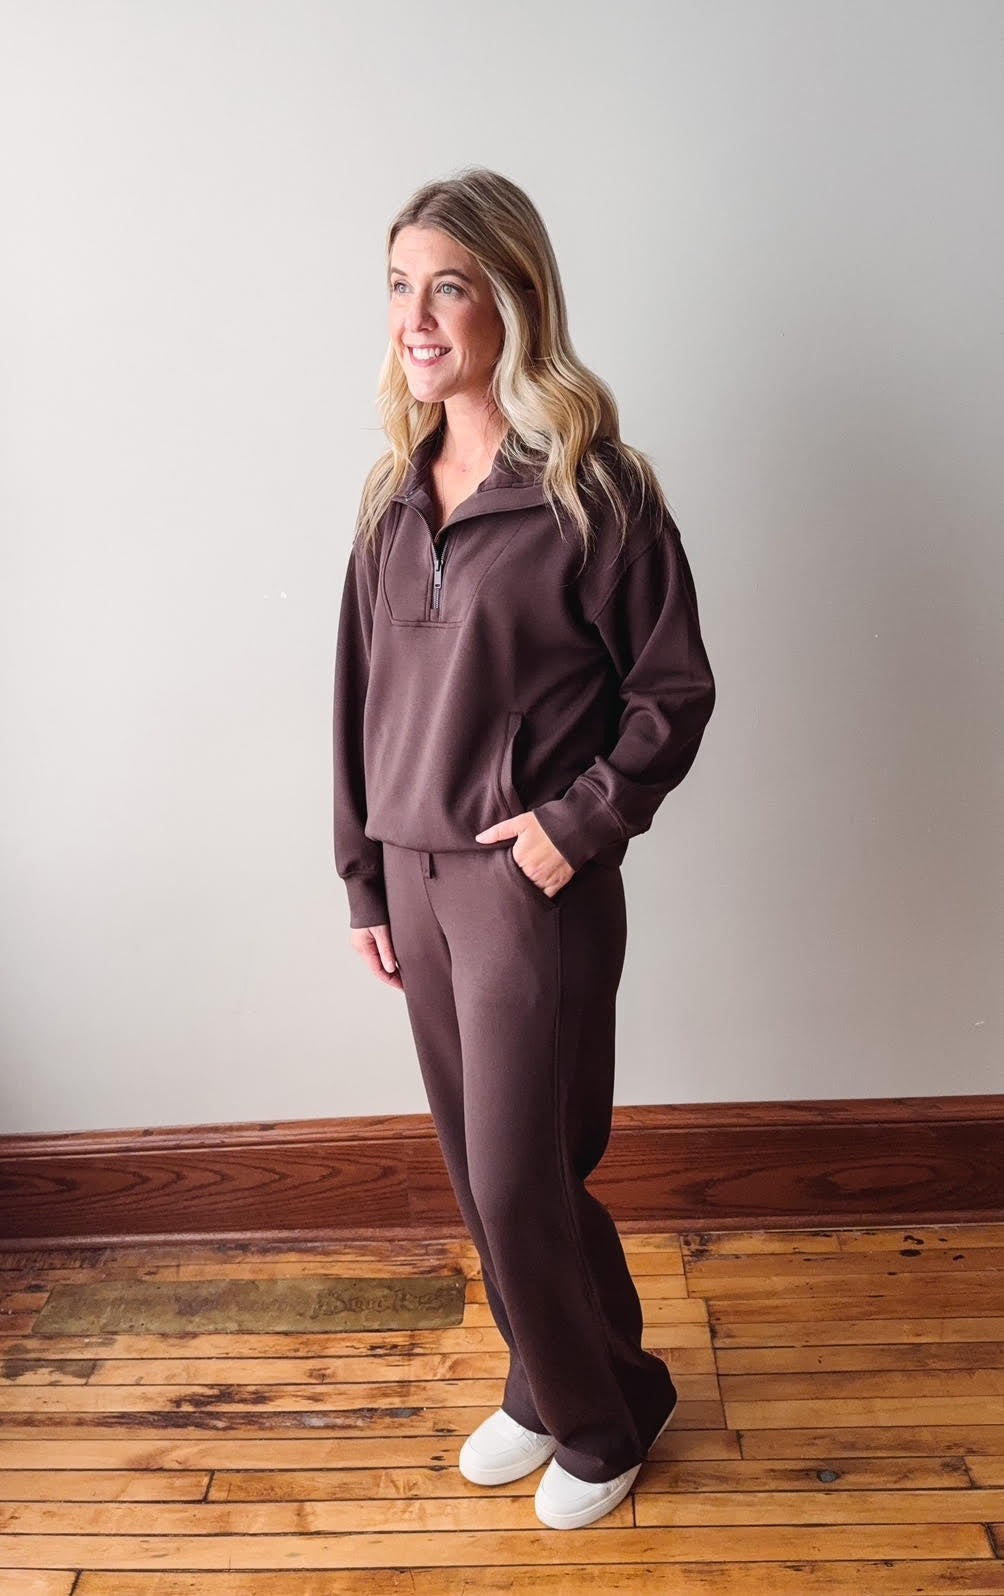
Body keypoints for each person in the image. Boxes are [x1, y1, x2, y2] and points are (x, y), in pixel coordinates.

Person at [332, 166, 716, 1531]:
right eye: (400, 286)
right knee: (484, 1175)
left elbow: (673, 693)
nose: (416, 317)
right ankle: (553, 1383)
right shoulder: (393, 497)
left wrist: (574, 826)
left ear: (513, 299)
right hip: (415, 877)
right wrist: (364, 877)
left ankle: (602, 1425)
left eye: (448, 286)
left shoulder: (593, 493)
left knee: (522, 1173)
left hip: (527, 882)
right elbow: (356, 700)